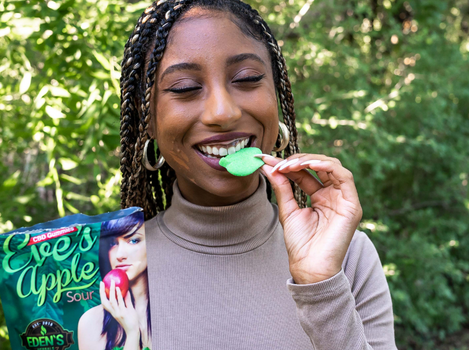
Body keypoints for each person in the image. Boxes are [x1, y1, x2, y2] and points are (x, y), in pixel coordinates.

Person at [118, 0, 397, 348]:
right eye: (185, 87)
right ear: (149, 123)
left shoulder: (346, 256)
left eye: (246, 79)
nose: (223, 112)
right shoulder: (110, 271)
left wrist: (321, 286)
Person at [78, 213, 151, 350]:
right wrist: (132, 334)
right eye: (113, 243)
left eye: (133, 240)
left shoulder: (174, 311)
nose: (120, 255)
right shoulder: (91, 322)